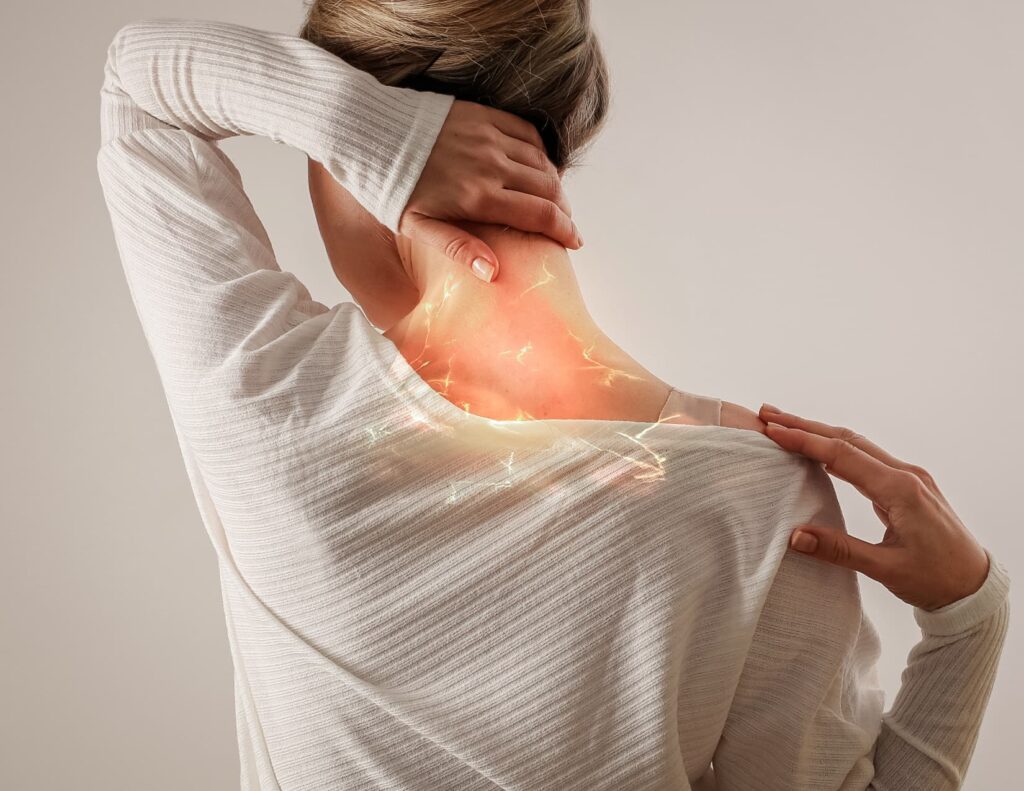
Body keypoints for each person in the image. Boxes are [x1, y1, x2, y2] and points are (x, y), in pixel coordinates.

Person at [95, 5, 1009, 790]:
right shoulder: (762, 504)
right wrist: (970, 621)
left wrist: (358, 126)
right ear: (562, 129)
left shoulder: (267, 396)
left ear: (354, 159)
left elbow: (138, 89)